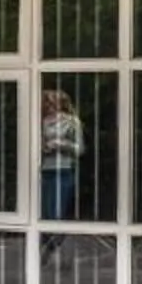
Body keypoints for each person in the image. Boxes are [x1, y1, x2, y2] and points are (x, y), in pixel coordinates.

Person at [40, 85, 85, 219]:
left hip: (62, 170)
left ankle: (55, 239)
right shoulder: (39, 121)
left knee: (56, 212)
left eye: (50, 101)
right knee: (41, 214)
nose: (48, 105)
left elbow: (80, 149)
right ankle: (42, 240)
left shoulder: (71, 122)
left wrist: (62, 144)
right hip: (41, 170)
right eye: (45, 101)